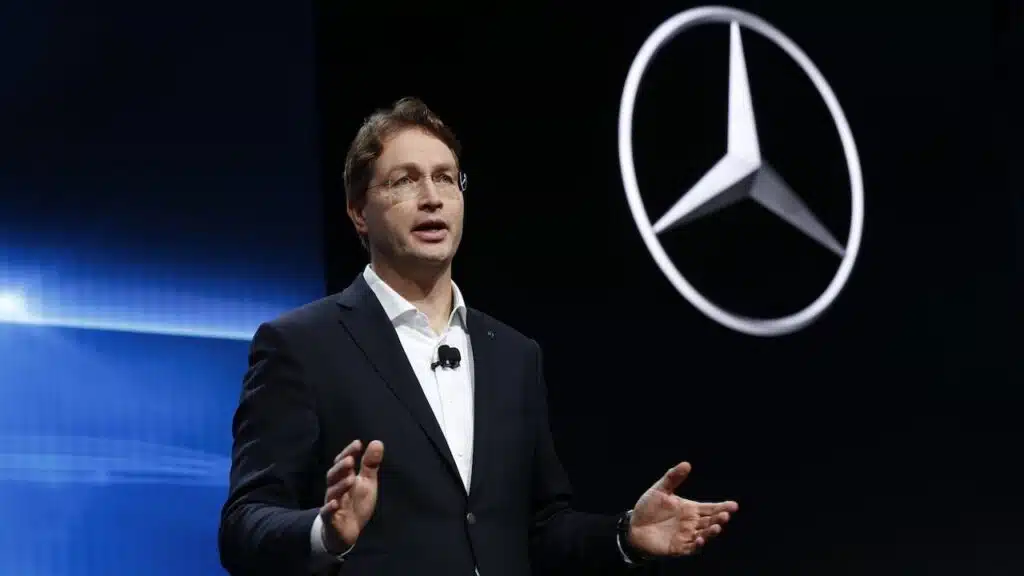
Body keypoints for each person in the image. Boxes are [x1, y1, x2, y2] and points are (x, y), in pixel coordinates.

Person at [217, 97, 739, 576]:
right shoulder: (302, 346)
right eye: (404, 180)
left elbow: (540, 527)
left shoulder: (513, 355)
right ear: (358, 212)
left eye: (446, 178)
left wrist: (624, 534)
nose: (431, 198)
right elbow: (243, 525)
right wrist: (324, 532)